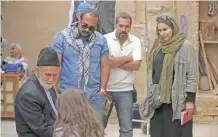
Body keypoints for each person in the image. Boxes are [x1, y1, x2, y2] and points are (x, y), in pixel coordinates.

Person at [51, 9, 110, 125]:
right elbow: (55, 65)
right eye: (84, 25)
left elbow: (105, 66)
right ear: (79, 19)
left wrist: (102, 91)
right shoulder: (62, 37)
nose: (87, 29)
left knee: (95, 131)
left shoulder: (101, 40)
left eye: (92, 27)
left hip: (93, 94)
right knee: (68, 130)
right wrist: (54, 90)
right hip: (68, 94)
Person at [147, 15, 197, 137]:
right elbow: (152, 71)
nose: (162, 33)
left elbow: (191, 76)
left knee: (175, 132)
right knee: (158, 132)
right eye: (159, 30)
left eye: (165, 29)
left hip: (176, 100)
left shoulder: (185, 46)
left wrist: (190, 101)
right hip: (158, 100)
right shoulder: (157, 46)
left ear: (173, 28)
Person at [103, 12, 142, 137]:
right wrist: (128, 58)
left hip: (125, 91)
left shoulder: (135, 41)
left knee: (126, 129)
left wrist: (113, 61)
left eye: (127, 26)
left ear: (130, 27)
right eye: (121, 26)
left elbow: (136, 66)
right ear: (116, 25)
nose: (123, 29)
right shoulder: (105, 39)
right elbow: (103, 61)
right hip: (105, 90)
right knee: (98, 126)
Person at [15, 47, 60, 137]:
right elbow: (43, 131)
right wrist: (68, 131)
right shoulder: (28, 95)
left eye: (55, 75)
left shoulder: (46, 84)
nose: (51, 80)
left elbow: (55, 114)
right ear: (38, 71)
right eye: (48, 74)